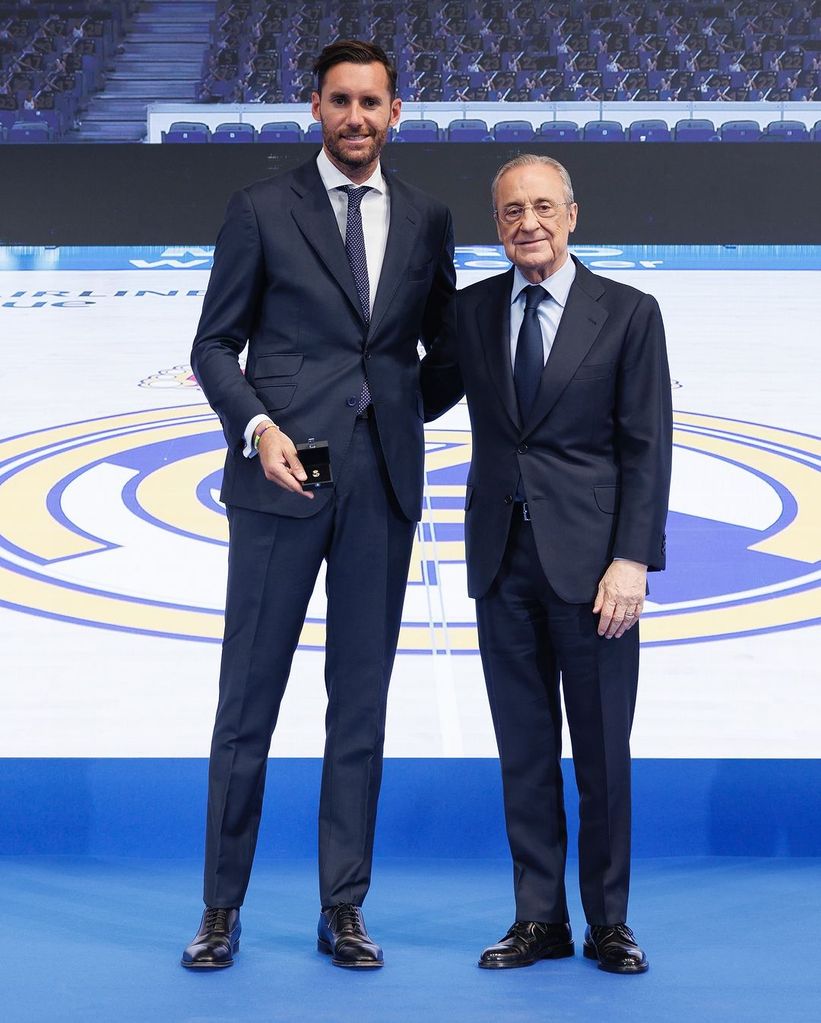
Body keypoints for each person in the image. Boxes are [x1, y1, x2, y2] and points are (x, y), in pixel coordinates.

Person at [182, 39, 455, 971]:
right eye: (339, 101)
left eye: (370, 103)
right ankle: (220, 908)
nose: (354, 118)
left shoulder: (426, 218)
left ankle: (344, 907)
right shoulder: (261, 208)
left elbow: (440, 353)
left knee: (359, 711)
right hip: (277, 483)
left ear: (395, 113)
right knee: (245, 708)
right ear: (314, 107)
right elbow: (215, 345)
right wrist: (258, 427)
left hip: (380, 489)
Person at [421, 155, 672, 974]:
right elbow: (414, 394)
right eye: (508, 212)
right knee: (523, 754)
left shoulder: (630, 313)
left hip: (596, 570)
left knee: (602, 755)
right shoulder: (471, 311)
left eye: (540, 207)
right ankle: (539, 919)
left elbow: (645, 445)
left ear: (571, 215)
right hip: (501, 564)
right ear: (495, 226)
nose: (526, 223)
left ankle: (607, 922)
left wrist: (631, 558)